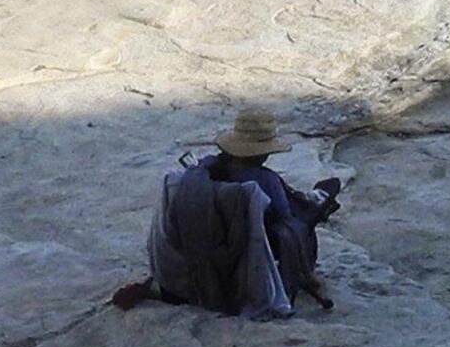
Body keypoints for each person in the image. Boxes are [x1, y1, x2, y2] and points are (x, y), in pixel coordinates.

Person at [123, 108, 340, 320]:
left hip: (203, 251)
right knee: (300, 223)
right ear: (263, 152)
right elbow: (284, 217)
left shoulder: (201, 172)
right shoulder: (263, 181)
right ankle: (307, 273)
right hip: (243, 249)